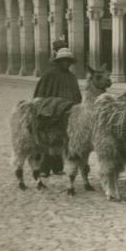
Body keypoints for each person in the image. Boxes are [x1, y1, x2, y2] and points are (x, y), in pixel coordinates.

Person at [33, 47, 82, 175]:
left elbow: (77, 96)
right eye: (63, 61)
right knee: (50, 139)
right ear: (58, 61)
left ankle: (57, 167)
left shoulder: (72, 77)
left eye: (68, 61)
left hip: (68, 113)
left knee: (62, 139)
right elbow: (40, 94)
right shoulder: (49, 75)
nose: (66, 63)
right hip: (51, 112)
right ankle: (44, 168)